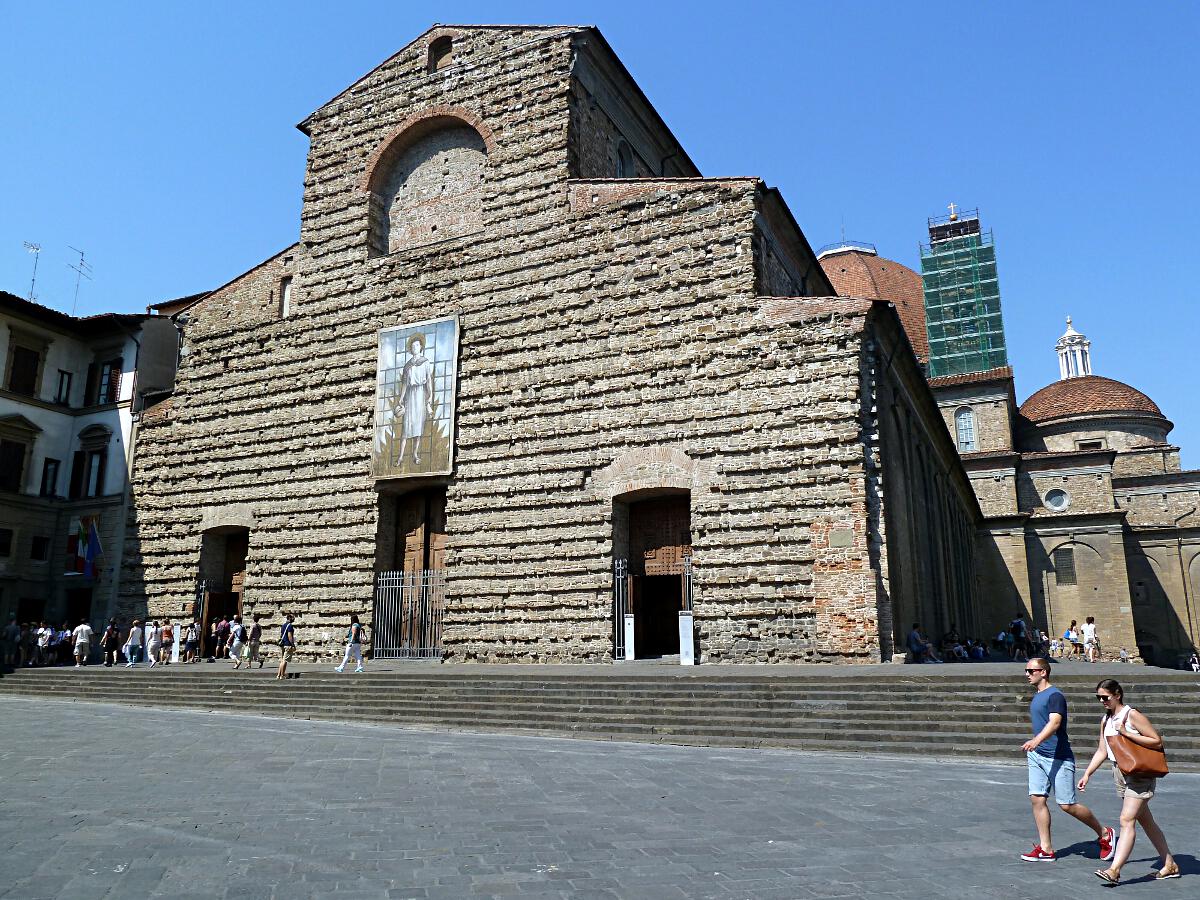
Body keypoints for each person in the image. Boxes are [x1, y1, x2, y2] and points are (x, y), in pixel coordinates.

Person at [1078, 679, 1179, 884]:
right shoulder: (1105, 719)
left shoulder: (1131, 715)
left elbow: (1156, 740)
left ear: (1117, 694)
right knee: (1145, 821)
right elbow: (1102, 750)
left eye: (1105, 697)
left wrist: (1125, 733)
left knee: (1126, 819)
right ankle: (1169, 864)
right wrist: (1087, 773)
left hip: (1139, 774)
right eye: (1098, 697)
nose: (1102, 701)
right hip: (1120, 772)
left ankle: (1115, 869)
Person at [1019, 657, 1113, 863]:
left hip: (1058, 756)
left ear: (1043, 672)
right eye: (1026, 670)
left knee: (1067, 805)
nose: (1027, 674)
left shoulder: (1055, 695)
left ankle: (1105, 833)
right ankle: (1046, 848)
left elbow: (1055, 723)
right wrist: (1036, 746)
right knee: (1037, 798)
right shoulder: (1038, 695)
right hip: (1037, 755)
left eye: (1031, 670)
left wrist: (1036, 740)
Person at [276, 614, 296, 680]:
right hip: (288, 644)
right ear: (290, 618)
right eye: (293, 617)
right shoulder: (290, 626)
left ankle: (278, 675)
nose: (294, 618)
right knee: (285, 661)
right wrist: (292, 644)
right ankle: (282, 675)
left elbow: (281, 635)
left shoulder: (283, 625)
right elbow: (290, 636)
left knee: (282, 661)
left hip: (283, 644)